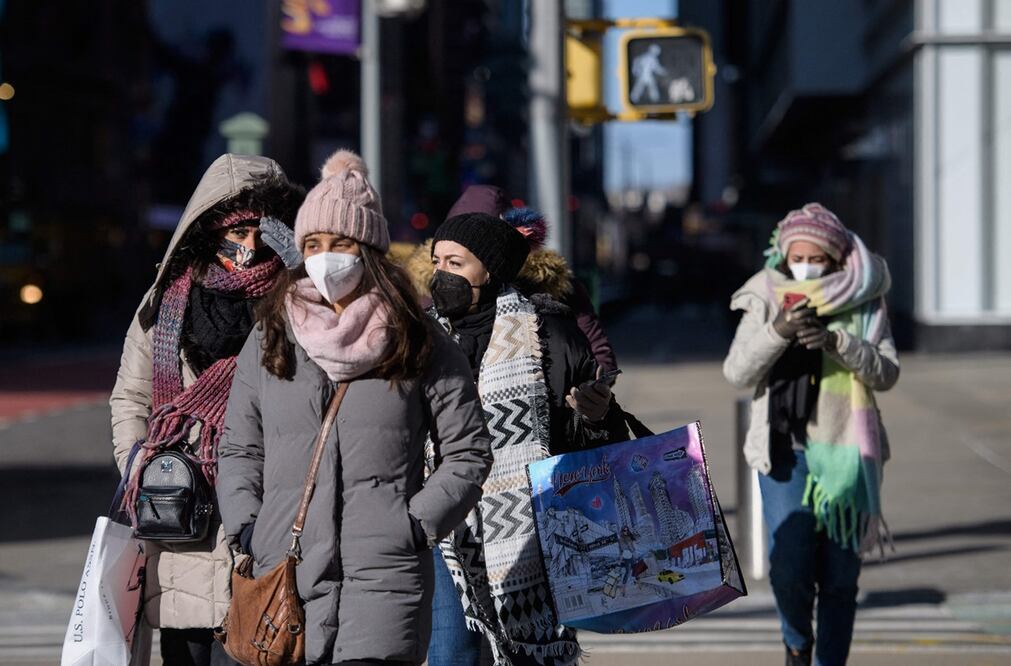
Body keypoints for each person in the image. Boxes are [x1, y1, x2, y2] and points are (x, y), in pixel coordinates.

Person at [216, 150, 493, 666]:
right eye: (313, 245)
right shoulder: (272, 333)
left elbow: (468, 449)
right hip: (286, 570)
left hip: (386, 576)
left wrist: (415, 524)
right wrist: (249, 525)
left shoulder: (418, 339)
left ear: (367, 249)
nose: (325, 257)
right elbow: (238, 445)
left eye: (339, 244)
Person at [110, 154, 305, 665]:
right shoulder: (165, 302)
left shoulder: (298, 300)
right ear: (206, 230)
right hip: (183, 519)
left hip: (271, 508)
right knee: (188, 650)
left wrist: (303, 272)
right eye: (233, 233)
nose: (245, 247)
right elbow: (130, 396)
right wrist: (142, 468)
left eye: (257, 233)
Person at [425, 210, 629, 666]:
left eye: (456, 264)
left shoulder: (549, 331)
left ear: (491, 270)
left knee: (524, 655)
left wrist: (594, 415)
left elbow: (597, 443)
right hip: (444, 527)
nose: (441, 274)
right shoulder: (420, 335)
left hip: (529, 531)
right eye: (437, 261)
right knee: (449, 653)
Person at [722, 203, 899, 666]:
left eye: (816, 258)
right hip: (785, 449)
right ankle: (797, 641)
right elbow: (737, 371)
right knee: (790, 568)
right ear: (782, 255)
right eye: (796, 256)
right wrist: (777, 331)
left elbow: (886, 372)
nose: (805, 266)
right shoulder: (765, 293)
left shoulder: (862, 299)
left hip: (848, 451)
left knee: (840, 578)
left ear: (836, 259)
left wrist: (840, 344)